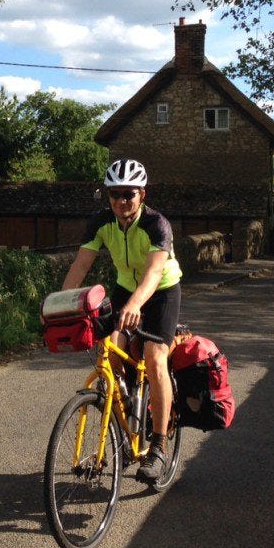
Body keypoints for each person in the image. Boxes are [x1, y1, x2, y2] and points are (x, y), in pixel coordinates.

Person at [61, 158, 183, 482]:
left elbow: (155, 272)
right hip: (125, 287)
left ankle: (157, 447)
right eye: (114, 194)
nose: (120, 201)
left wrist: (134, 305)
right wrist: (61, 305)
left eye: (128, 194)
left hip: (162, 291)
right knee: (109, 350)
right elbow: (80, 265)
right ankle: (123, 411)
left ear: (141, 194)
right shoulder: (101, 222)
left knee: (155, 358)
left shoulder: (157, 224)